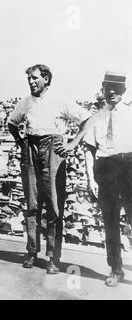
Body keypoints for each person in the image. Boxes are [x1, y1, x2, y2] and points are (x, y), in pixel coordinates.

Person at [7, 64, 92, 274]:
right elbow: (11, 122)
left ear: (46, 79)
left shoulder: (60, 99)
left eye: (35, 78)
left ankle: (53, 257)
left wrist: (71, 144)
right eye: (29, 79)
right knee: (32, 203)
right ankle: (31, 252)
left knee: (54, 205)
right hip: (30, 147)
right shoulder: (24, 102)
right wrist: (19, 140)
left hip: (53, 147)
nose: (31, 81)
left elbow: (87, 119)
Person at [84, 71, 132, 287]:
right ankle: (115, 268)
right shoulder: (95, 117)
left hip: (129, 165)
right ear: (103, 89)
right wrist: (90, 177)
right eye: (108, 87)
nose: (112, 91)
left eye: (117, 87)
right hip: (105, 168)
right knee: (110, 221)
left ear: (123, 90)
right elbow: (88, 149)